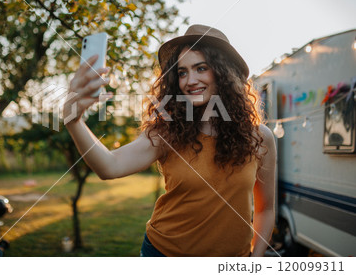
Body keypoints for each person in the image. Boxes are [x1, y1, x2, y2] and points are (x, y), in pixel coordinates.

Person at [63, 24, 276, 257]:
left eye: (201, 68)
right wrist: (74, 121)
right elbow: (110, 166)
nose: (189, 80)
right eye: (182, 72)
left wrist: (255, 260)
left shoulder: (260, 138)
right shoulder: (169, 132)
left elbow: (266, 209)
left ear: (225, 73)